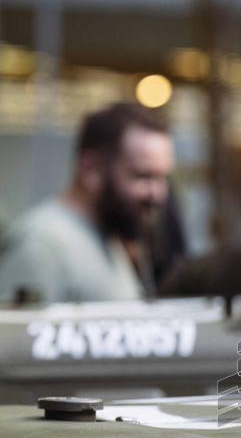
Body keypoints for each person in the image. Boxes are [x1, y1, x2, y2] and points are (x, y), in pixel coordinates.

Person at [0, 102, 175, 303]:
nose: (158, 194)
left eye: (163, 178)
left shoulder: (108, 236)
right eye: (142, 176)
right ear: (91, 168)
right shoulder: (42, 246)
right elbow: (17, 333)